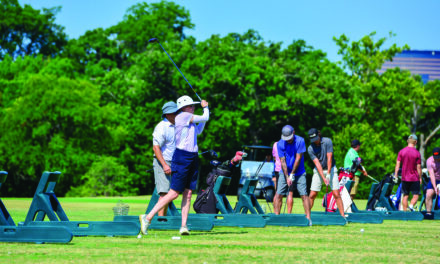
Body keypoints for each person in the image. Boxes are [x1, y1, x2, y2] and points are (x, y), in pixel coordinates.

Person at [140, 95, 209, 235]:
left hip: (193, 157)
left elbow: (200, 129)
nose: (193, 107)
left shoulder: (189, 120)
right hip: (182, 157)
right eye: (191, 106)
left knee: (188, 193)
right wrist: (206, 108)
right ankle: (147, 218)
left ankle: (183, 226)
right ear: (184, 108)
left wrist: (205, 112)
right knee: (173, 193)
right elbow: (205, 117)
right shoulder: (183, 116)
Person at [274, 125, 311, 224]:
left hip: (299, 172)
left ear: (293, 132)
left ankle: (308, 219)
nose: (288, 140)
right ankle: (277, 218)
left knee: (304, 194)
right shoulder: (280, 143)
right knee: (279, 194)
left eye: (289, 138)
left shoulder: (300, 141)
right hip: (284, 172)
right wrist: (287, 176)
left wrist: (292, 174)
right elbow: (282, 161)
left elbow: (298, 158)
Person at [307, 128, 346, 218]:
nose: (315, 141)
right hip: (318, 171)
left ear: (319, 135)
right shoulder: (310, 148)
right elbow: (317, 164)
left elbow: (329, 158)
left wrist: (328, 174)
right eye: (312, 139)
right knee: (312, 194)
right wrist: (324, 178)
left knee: (336, 194)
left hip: (331, 169)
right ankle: (307, 216)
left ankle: (343, 216)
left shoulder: (327, 141)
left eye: (316, 138)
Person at [151, 101, 179, 216]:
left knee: (170, 193)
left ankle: (163, 219)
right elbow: (156, 148)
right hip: (163, 162)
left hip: (174, 162)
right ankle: (161, 220)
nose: (177, 114)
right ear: (168, 114)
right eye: (175, 112)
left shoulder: (177, 125)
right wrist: (165, 165)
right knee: (164, 193)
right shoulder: (161, 127)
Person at [394, 134, 422, 212]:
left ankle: (405, 213)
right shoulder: (417, 153)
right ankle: (411, 205)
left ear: (407, 141)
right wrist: (420, 178)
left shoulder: (401, 151)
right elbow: (418, 167)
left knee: (405, 196)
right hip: (414, 178)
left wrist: (396, 175)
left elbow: (397, 164)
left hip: (404, 177)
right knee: (416, 195)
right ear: (415, 142)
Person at [424, 147, 440, 214]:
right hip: (434, 179)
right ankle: (428, 213)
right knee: (428, 194)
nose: (436, 158)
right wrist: (435, 187)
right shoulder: (429, 161)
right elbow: (432, 175)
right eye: (435, 156)